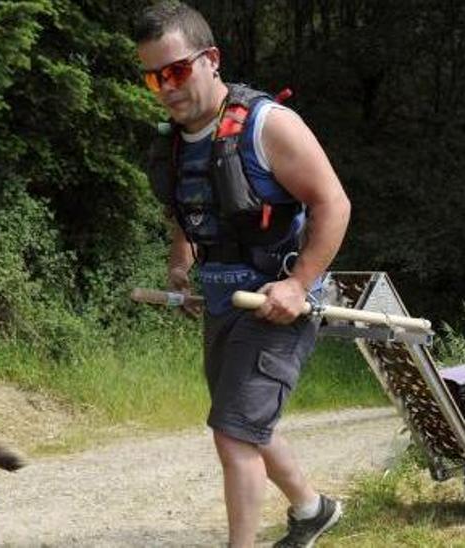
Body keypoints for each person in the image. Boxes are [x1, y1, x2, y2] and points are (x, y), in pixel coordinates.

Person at [133, 3, 351, 547]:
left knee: (233, 433)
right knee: (246, 423)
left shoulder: (268, 127)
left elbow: (333, 204)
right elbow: (184, 212)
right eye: (153, 76)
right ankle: (312, 509)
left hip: (278, 301)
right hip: (222, 300)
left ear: (211, 61)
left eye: (176, 70)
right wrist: (182, 269)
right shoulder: (175, 143)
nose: (166, 87)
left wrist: (298, 284)